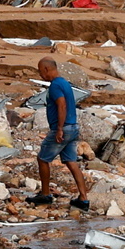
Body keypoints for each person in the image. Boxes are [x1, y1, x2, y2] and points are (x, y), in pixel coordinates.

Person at [26, 57, 90, 210]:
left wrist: (59, 128)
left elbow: (62, 105)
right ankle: (83, 198)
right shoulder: (65, 83)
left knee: (42, 159)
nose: (40, 75)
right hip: (73, 127)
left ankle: (46, 194)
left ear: (47, 69)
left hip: (63, 129)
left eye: (41, 71)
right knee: (71, 161)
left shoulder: (55, 85)